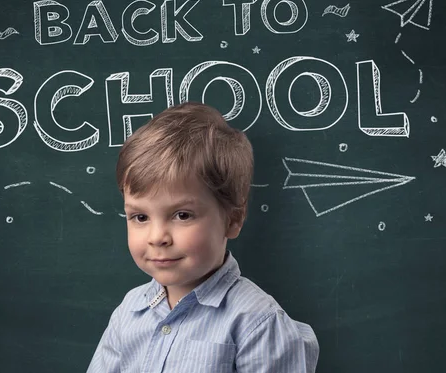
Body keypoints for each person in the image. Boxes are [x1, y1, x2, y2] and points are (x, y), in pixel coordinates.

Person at [87, 102, 319, 372]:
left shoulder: (257, 322)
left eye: (182, 215)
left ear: (232, 219)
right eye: (140, 217)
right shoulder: (128, 312)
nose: (157, 237)